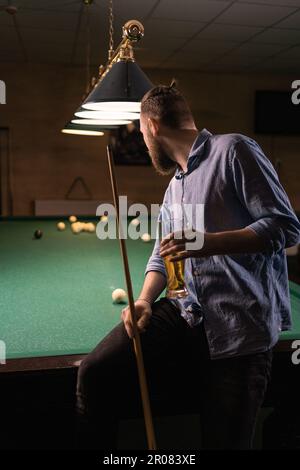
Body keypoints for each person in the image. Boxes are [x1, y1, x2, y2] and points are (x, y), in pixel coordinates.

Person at [76, 83, 300, 450]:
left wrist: (206, 242)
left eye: (142, 133)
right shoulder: (174, 188)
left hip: (238, 327)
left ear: (151, 127)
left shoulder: (234, 150)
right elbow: (162, 254)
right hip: (185, 314)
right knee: (96, 371)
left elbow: (285, 227)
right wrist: (146, 299)